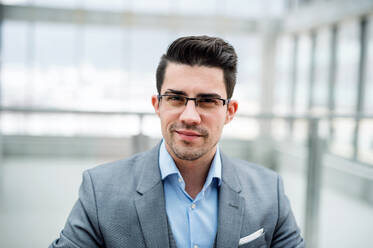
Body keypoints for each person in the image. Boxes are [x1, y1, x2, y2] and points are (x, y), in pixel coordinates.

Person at [50, 35, 304, 248]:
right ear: (157, 105)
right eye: (175, 98)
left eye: (207, 100)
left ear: (230, 111)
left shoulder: (269, 193)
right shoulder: (100, 190)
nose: (190, 116)